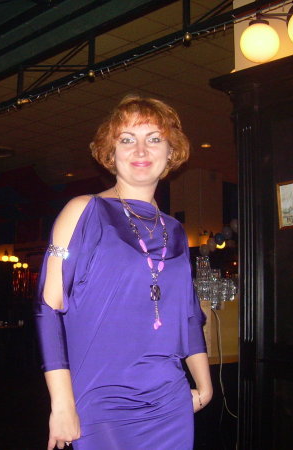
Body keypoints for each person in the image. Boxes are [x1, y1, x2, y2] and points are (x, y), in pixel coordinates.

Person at [35, 95, 212, 450]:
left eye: (154, 139)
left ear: (171, 153)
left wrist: (205, 387)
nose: (141, 150)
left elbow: (189, 316)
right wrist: (62, 403)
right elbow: (48, 307)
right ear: (110, 152)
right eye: (127, 139)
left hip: (169, 398)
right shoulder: (84, 211)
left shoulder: (176, 230)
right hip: (101, 401)